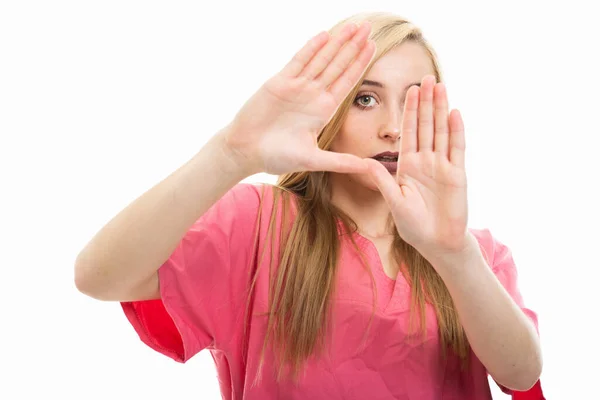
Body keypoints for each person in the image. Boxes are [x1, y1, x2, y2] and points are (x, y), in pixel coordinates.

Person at [74, 11, 544, 399]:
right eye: (365, 99)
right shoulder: (257, 224)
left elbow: (521, 373)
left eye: (414, 103)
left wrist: (454, 255)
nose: (394, 129)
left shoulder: (475, 253)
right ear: (330, 112)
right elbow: (98, 276)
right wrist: (231, 153)